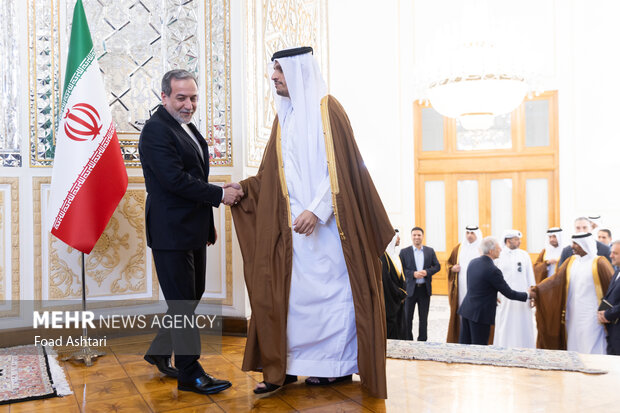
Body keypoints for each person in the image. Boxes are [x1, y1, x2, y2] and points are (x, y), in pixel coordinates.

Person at [229, 47, 393, 398]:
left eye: (280, 71)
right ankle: (287, 367)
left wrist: (317, 210)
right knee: (290, 301)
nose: (273, 77)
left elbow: (342, 170)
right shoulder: (283, 118)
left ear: (299, 72)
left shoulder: (327, 109)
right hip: (290, 237)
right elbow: (271, 176)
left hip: (332, 233)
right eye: (273, 70)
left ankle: (333, 369)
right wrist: (243, 190)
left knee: (332, 302)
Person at [138, 69, 240, 395]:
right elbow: (174, 180)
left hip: (191, 230)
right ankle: (189, 372)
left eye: (193, 97)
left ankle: (158, 351)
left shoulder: (186, 128)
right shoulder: (156, 130)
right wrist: (219, 194)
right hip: (169, 231)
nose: (188, 104)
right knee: (183, 303)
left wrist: (206, 224)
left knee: (189, 299)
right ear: (164, 96)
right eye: (181, 97)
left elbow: (192, 176)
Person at [534, 233, 614, 353]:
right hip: (572, 315)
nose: (572, 246)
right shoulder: (571, 261)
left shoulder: (599, 262)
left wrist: (606, 314)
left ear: (585, 245)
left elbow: (611, 290)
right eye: (573, 243)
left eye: (576, 244)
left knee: (591, 346)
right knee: (574, 345)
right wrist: (536, 290)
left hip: (592, 317)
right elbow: (555, 280)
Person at [458, 237, 534, 346]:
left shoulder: (473, 262)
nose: (501, 250)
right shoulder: (493, 270)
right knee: (479, 348)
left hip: (467, 310)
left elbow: (477, 285)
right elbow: (509, 293)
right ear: (491, 251)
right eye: (498, 248)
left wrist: (493, 295)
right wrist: (528, 295)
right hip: (480, 315)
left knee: (464, 345)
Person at [493, 230, 536, 348]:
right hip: (504, 298)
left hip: (523, 297)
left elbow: (530, 275)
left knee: (523, 322)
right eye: (516, 239)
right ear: (508, 241)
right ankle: (504, 346)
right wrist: (494, 295)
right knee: (505, 322)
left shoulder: (524, 255)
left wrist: (533, 295)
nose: (519, 242)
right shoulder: (499, 256)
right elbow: (493, 278)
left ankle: (524, 346)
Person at [399, 227, 441, 341]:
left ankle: (422, 340)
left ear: (422, 236)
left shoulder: (429, 251)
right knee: (408, 317)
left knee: (423, 318)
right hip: (410, 290)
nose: (417, 237)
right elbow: (401, 269)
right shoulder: (404, 252)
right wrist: (413, 274)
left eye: (419, 235)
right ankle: (408, 339)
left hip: (424, 290)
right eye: (414, 235)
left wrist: (427, 272)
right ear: (411, 236)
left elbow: (437, 266)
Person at [446, 225, 482, 343]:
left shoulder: (482, 248)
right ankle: (462, 338)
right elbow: (448, 263)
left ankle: (476, 338)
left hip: (478, 288)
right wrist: (452, 268)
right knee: (462, 311)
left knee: (477, 313)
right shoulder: (459, 248)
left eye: (472, 233)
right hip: (461, 288)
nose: (469, 236)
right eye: (467, 233)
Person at [381, 229, 407, 340]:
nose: (399, 239)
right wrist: (399, 292)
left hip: (398, 298)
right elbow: (386, 281)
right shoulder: (383, 257)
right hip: (390, 299)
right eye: (397, 237)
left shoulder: (395, 255)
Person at [598, 240, 620, 355]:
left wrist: (608, 314)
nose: (610, 256)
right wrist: (602, 311)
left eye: (615, 253)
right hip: (612, 330)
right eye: (611, 252)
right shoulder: (617, 272)